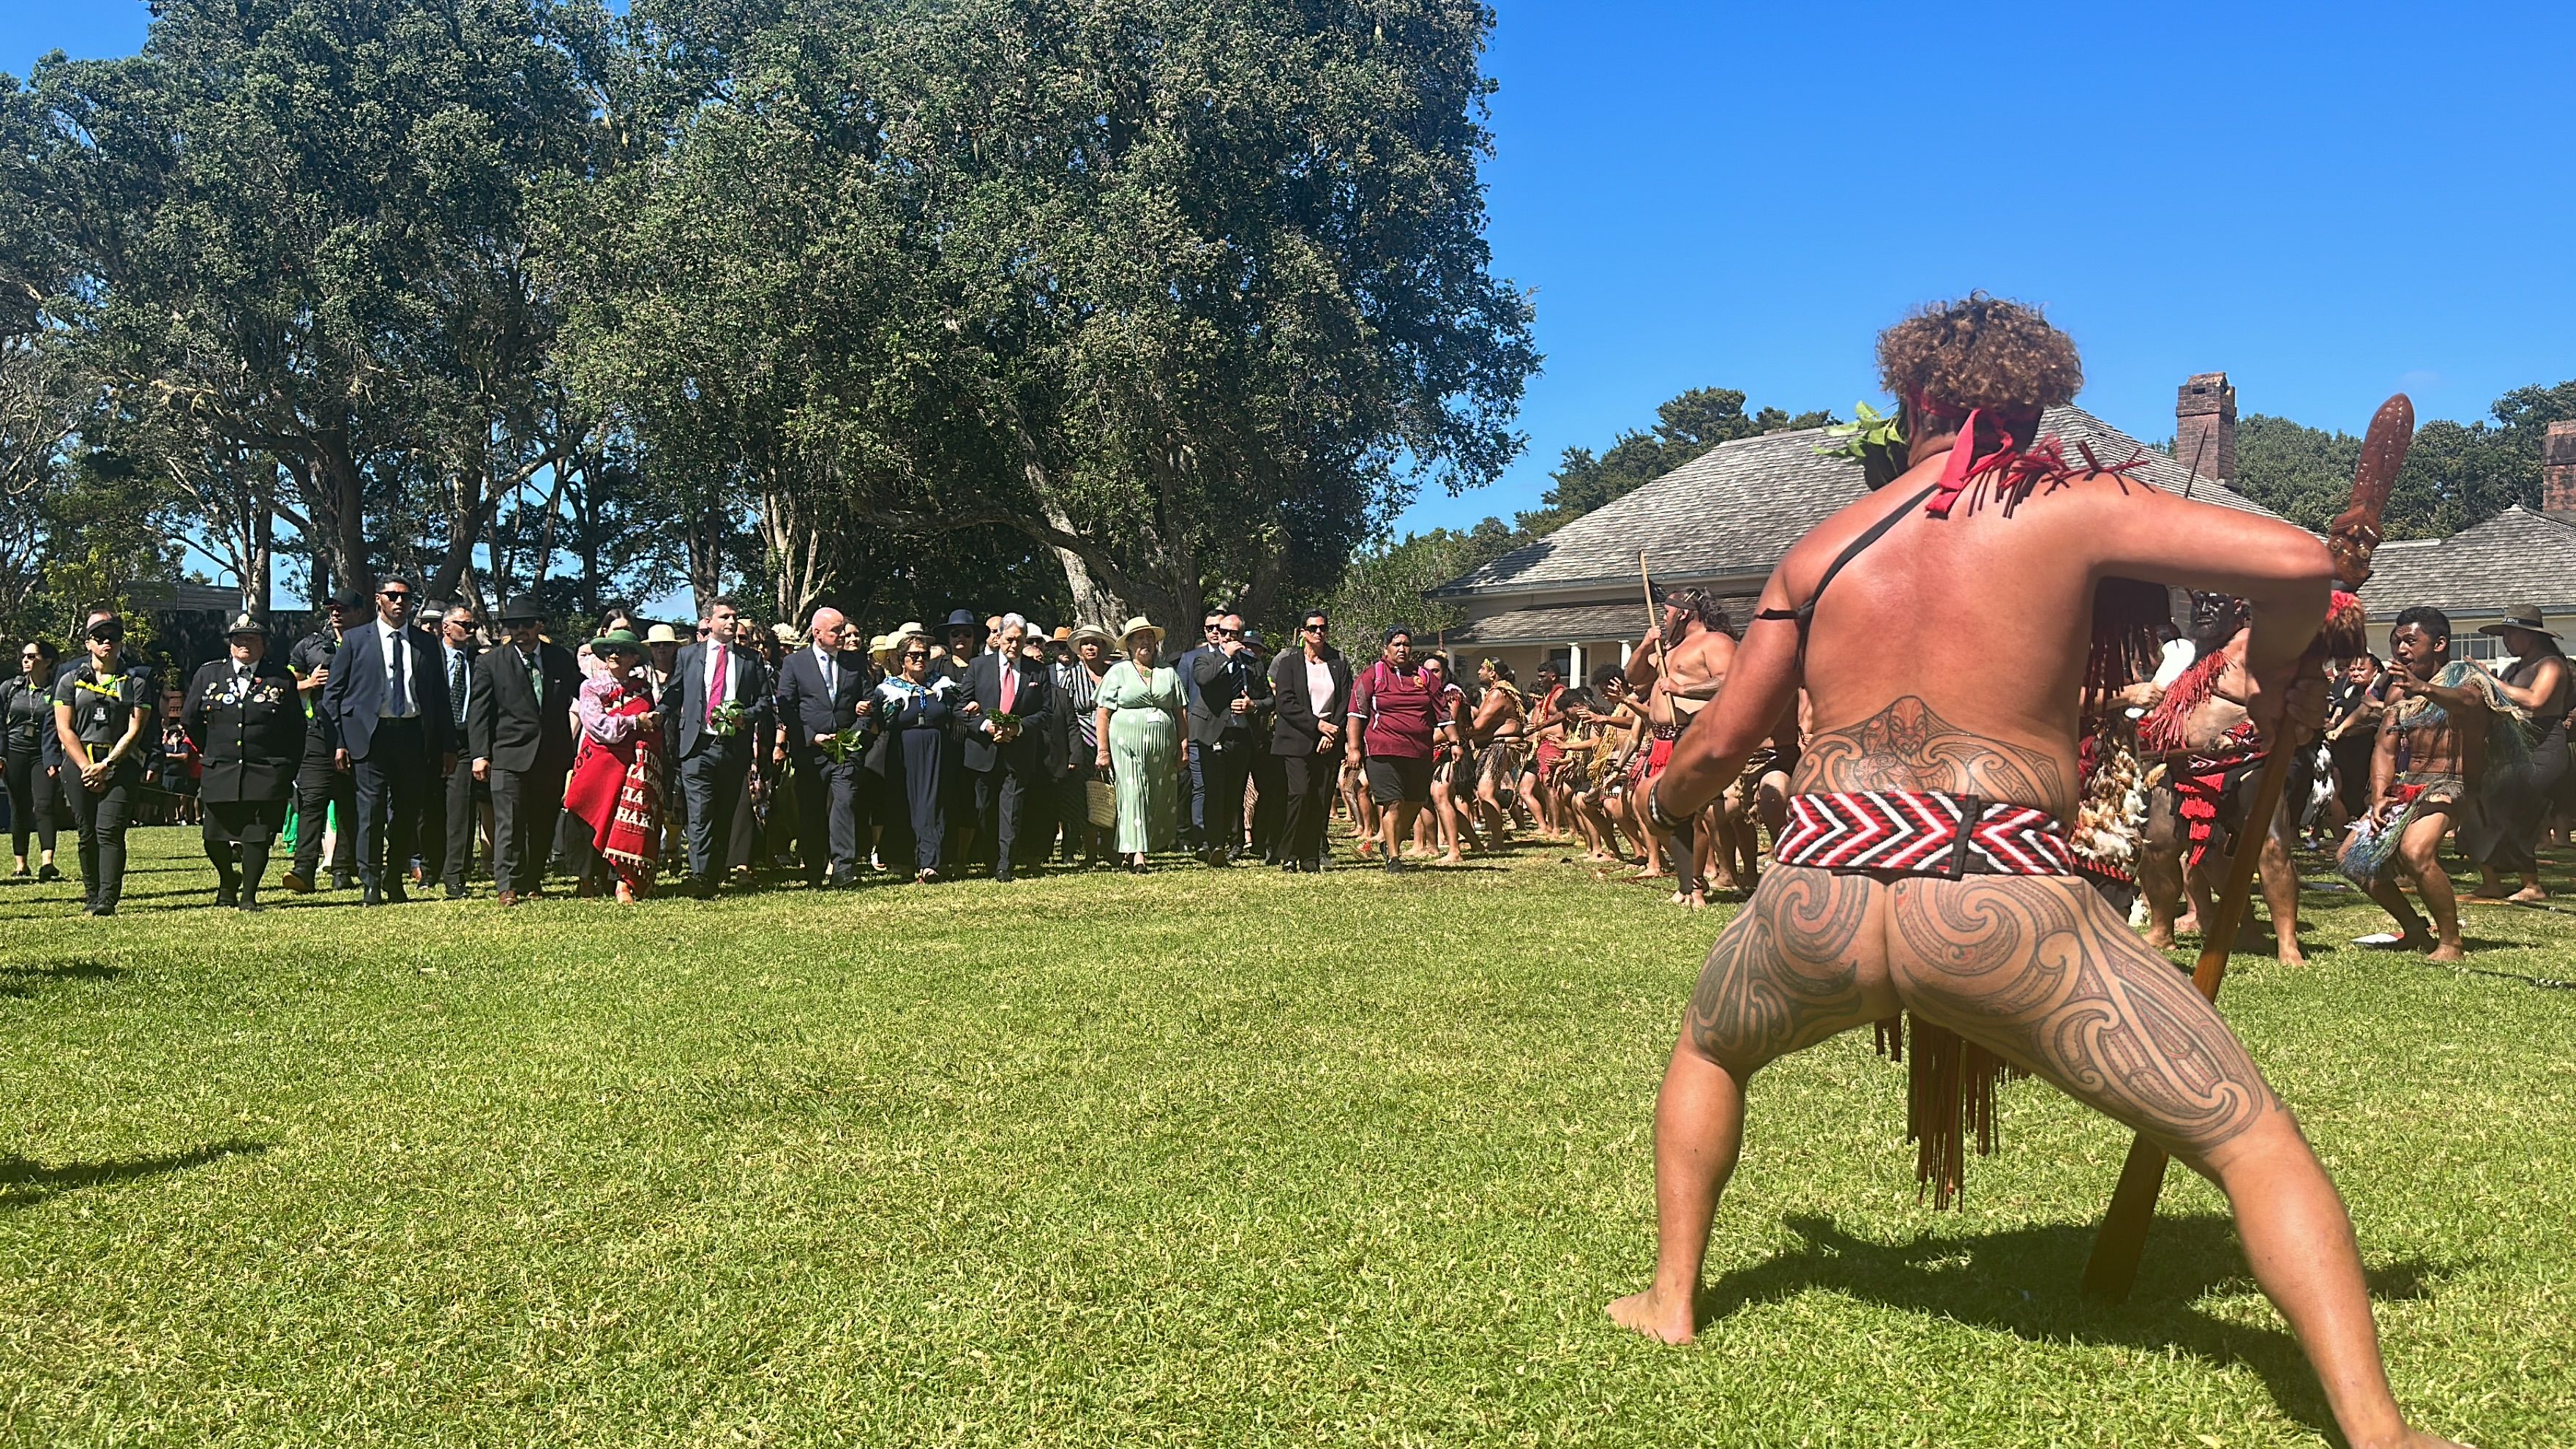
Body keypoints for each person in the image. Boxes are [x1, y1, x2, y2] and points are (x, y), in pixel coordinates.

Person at [1606, 296, 2460, 1449]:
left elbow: (1716, 747)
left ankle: (1670, 1300)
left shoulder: (1822, 546)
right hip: (1994, 901)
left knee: (1711, 1048)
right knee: (2251, 1142)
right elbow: (2300, 560)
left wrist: (1657, 803)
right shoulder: (2072, 508)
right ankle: (2381, 1436)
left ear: (1910, 401)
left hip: (1818, 893)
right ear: (2035, 401)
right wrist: (2268, 662)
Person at [2136, 599, 2310, 966]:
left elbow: (2280, 706)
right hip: (2181, 766)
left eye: (2214, 602)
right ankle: (2163, 930)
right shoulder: (2185, 654)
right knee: (2160, 844)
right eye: (2198, 600)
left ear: (2238, 607)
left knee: (2272, 846)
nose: (2204, 608)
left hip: (2245, 763)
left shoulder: (2253, 647)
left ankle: (2288, 943)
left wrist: (2240, 734)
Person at [2338, 608, 2515, 963]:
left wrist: (2424, 689)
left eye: (2409, 641)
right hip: (2409, 786)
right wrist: (2378, 796)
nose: (2401, 649)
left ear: (2439, 644)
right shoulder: (2396, 693)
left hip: (2452, 783)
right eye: (2396, 641)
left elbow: (2468, 704)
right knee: (2350, 859)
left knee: (2416, 852)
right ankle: (2414, 929)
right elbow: (2385, 749)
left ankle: (2451, 942)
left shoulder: (2468, 679)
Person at [321, 576, 456, 905]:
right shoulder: (356, 640)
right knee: (371, 810)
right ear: (378, 599)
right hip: (370, 737)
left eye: (406, 598)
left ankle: (395, 879)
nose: (400, 603)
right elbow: (332, 696)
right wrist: (339, 740)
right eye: (393, 596)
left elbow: (440, 699)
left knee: (407, 813)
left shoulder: (427, 643)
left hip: (412, 735)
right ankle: (371, 882)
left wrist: (448, 746)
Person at [181, 613, 304, 910]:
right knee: (213, 837)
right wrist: (211, 750)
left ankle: (248, 895)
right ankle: (227, 879)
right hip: (220, 768)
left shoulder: (280, 678)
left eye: (252, 638)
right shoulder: (208, 675)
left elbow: (295, 729)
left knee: (258, 837)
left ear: (264, 644)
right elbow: (190, 719)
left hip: (266, 770)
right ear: (230, 644)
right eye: (239, 639)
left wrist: (286, 767)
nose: (245, 644)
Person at [1627, 589, 1740, 905]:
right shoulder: (1667, 648)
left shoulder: (1714, 642)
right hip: (1661, 739)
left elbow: (1730, 680)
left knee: (1687, 812)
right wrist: (1646, 645)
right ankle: (1687, 878)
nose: (1663, 619)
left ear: (1684, 612)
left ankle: (1694, 884)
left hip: (1693, 734)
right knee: (1646, 805)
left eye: (1666, 613)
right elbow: (1633, 676)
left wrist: (1682, 688)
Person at [469, 596, 580, 906]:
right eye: (512, 625)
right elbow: (479, 712)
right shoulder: (490, 662)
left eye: (526, 624)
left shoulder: (561, 658)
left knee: (543, 822)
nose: (520, 630)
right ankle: (508, 884)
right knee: (510, 823)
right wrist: (480, 754)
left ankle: (533, 880)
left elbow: (583, 691)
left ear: (539, 626)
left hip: (551, 756)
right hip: (508, 755)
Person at [659, 596, 768, 899]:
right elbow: (675, 692)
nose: (732, 622)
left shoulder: (750, 659)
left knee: (723, 814)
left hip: (732, 747)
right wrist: (658, 713)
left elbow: (763, 702)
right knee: (700, 812)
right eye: (725, 617)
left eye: (735, 617)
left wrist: (743, 717)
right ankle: (700, 876)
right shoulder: (689, 656)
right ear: (708, 622)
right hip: (697, 746)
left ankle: (714, 872)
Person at [2461, 604, 2569, 902]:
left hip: (2544, 745)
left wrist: (2490, 680)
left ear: (2529, 635)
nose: (2505, 640)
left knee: (2517, 809)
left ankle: (2532, 885)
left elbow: (2535, 700)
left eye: (2509, 634)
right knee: (2481, 806)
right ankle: (2491, 882)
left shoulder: (2551, 665)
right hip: (2511, 746)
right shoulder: (2514, 669)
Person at [52, 613, 153, 916]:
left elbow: (135, 729)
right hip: (79, 762)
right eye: (99, 638)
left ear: (121, 642)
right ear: (88, 644)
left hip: (119, 763)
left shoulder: (136, 682)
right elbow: (64, 729)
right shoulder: (69, 681)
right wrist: (87, 767)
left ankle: (107, 899)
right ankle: (91, 894)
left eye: (113, 637)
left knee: (109, 830)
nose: (107, 642)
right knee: (87, 832)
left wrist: (107, 765)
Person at [772, 605, 875, 888]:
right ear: (817, 634)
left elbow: (868, 705)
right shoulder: (795, 664)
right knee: (812, 810)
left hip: (846, 749)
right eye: (836, 631)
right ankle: (815, 870)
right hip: (810, 751)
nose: (842, 635)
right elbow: (787, 708)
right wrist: (810, 736)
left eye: (843, 629)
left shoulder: (855, 663)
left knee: (845, 804)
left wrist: (855, 734)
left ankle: (844, 869)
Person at [561, 629, 664, 902]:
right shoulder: (590, 687)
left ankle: (620, 881)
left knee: (621, 819)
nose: (614, 655)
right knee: (586, 812)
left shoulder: (643, 691)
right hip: (596, 764)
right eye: (609, 652)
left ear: (634, 658)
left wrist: (646, 725)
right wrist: (634, 722)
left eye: (621, 651)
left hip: (630, 766)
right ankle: (586, 878)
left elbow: (652, 726)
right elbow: (598, 726)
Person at [956, 614, 1051, 880]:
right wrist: (986, 726)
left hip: (1018, 752)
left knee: (1012, 809)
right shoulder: (978, 666)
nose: (1014, 645)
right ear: (998, 638)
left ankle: (1005, 866)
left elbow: (1046, 713)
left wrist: (1016, 728)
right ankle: (990, 859)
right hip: (983, 752)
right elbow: (960, 708)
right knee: (984, 809)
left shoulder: (1037, 670)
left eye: (1019, 641)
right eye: (1009, 640)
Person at [281, 591, 362, 894]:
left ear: (358, 611)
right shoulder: (310, 645)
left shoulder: (369, 642)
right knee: (312, 801)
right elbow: (286, 686)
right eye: (331, 609)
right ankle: (303, 868)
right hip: (318, 732)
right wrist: (309, 684)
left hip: (358, 733)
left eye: (342, 609)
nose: (336, 614)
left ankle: (344, 868)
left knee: (349, 803)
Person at [1096, 616, 1184, 873]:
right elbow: (1103, 713)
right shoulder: (1118, 672)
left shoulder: (1168, 671)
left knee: (1154, 796)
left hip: (1162, 749)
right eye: (1139, 638)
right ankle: (1138, 856)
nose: (1145, 642)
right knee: (1133, 793)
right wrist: (1103, 751)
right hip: (1126, 745)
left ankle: (1132, 846)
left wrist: (1184, 745)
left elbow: (1180, 711)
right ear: (1129, 644)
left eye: (1149, 637)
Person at [1347, 626, 1438, 873]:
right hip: (1382, 749)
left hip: (1418, 751)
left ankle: (1391, 842)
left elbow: (1443, 712)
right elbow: (1356, 713)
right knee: (1393, 802)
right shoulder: (1373, 675)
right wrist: (1354, 748)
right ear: (1385, 648)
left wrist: (1456, 741)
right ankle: (1394, 859)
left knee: (1415, 801)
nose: (1402, 648)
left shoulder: (1424, 677)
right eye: (1396, 644)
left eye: (1406, 644)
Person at [1269, 610, 1350, 873]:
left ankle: (1310, 855)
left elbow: (1345, 700)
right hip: (1296, 739)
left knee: (1320, 798)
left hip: (1329, 739)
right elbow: (1286, 703)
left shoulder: (1338, 661)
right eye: (1313, 628)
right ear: (1303, 632)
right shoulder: (1289, 662)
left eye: (1323, 628)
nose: (1319, 633)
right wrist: (1318, 726)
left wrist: (1332, 731)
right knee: (1300, 793)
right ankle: (1289, 851)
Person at [875, 634, 959, 882]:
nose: (920, 659)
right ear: (902, 659)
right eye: (913, 655)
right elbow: (877, 722)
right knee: (904, 804)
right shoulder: (888, 690)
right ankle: (905, 859)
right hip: (903, 752)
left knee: (932, 805)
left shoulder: (942, 685)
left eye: (923, 654)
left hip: (937, 751)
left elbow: (958, 710)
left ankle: (930, 862)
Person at [1188, 612, 1268, 866]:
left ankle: (1235, 844)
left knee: (1235, 792)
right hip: (1212, 734)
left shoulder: (1253, 663)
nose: (1228, 637)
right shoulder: (1204, 658)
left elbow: (1269, 698)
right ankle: (1214, 845)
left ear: (1242, 636)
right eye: (1224, 633)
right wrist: (1226, 656)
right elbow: (1204, 680)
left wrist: (1252, 705)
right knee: (1214, 792)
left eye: (1234, 634)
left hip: (1242, 734)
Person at [430, 603, 490, 897]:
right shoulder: (429, 658)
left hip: (465, 741)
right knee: (427, 809)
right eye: (464, 625)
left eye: (473, 625)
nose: (470, 630)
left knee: (460, 810)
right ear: (446, 627)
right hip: (432, 740)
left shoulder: (479, 662)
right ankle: (427, 867)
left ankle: (454, 874)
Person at [1049, 624, 1116, 869]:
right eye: (1086, 643)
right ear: (1078, 650)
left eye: (1096, 643)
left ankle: (1110, 848)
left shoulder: (1115, 674)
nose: (1091, 647)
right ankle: (1090, 854)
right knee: (1085, 801)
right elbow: (1064, 716)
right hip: (1083, 745)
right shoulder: (1071, 677)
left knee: (1113, 798)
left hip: (1114, 743)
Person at [5, 639, 63, 880]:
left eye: (32, 656)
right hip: (14, 752)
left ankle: (47, 862)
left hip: (43, 754)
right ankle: (21, 863)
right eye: (24, 656)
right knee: (18, 807)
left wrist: (56, 758)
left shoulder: (57, 690)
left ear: (47, 662)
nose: (26, 660)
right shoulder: (11, 688)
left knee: (44, 805)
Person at [1467, 658, 1527, 847]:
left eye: (1482, 668)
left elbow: (1478, 726)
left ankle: (1497, 840)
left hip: (1501, 746)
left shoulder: (1497, 694)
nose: (1478, 672)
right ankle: (1497, 838)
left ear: (1493, 673)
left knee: (1485, 793)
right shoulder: (1503, 691)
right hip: (1498, 746)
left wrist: (1458, 724)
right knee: (1485, 793)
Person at [1175, 613, 1221, 849]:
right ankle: (1201, 836)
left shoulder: (1240, 657)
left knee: (1225, 787)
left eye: (1219, 627)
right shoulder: (1190, 658)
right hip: (1197, 733)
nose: (1215, 631)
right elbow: (1181, 698)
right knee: (1200, 786)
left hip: (1228, 732)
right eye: (1210, 627)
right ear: (1204, 630)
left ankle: (1228, 838)